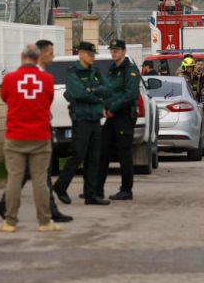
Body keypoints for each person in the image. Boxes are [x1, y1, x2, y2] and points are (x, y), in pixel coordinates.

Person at [0, 39, 73, 223]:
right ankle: (46, 218)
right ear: (38, 56)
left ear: (22, 57)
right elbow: (48, 100)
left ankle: (9, 216)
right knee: (40, 179)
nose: (52, 57)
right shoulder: (46, 79)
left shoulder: (10, 79)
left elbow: (6, 98)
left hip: (16, 134)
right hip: (40, 134)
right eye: (50, 53)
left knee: (15, 178)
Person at [54, 41, 110, 206]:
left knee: (94, 157)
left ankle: (90, 194)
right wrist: (95, 93)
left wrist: (90, 91)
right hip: (81, 118)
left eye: (94, 55)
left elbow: (107, 89)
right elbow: (77, 93)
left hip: (95, 118)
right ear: (81, 54)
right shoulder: (73, 72)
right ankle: (60, 186)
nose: (93, 58)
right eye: (90, 54)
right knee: (79, 154)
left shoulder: (95, 71)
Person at [97, 39, 141, 201]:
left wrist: (112, 108)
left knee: (124, 154)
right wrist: (104, 106)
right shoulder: (112, 69)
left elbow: (129, 95)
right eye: (112, 50)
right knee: (103, 151)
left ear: (123, 51)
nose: (113, 53)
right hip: (111, 116)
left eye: (116, 50)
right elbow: (107, 89)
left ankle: (126, 189)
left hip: (123, 116)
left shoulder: (130, 70)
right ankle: (97, 189)